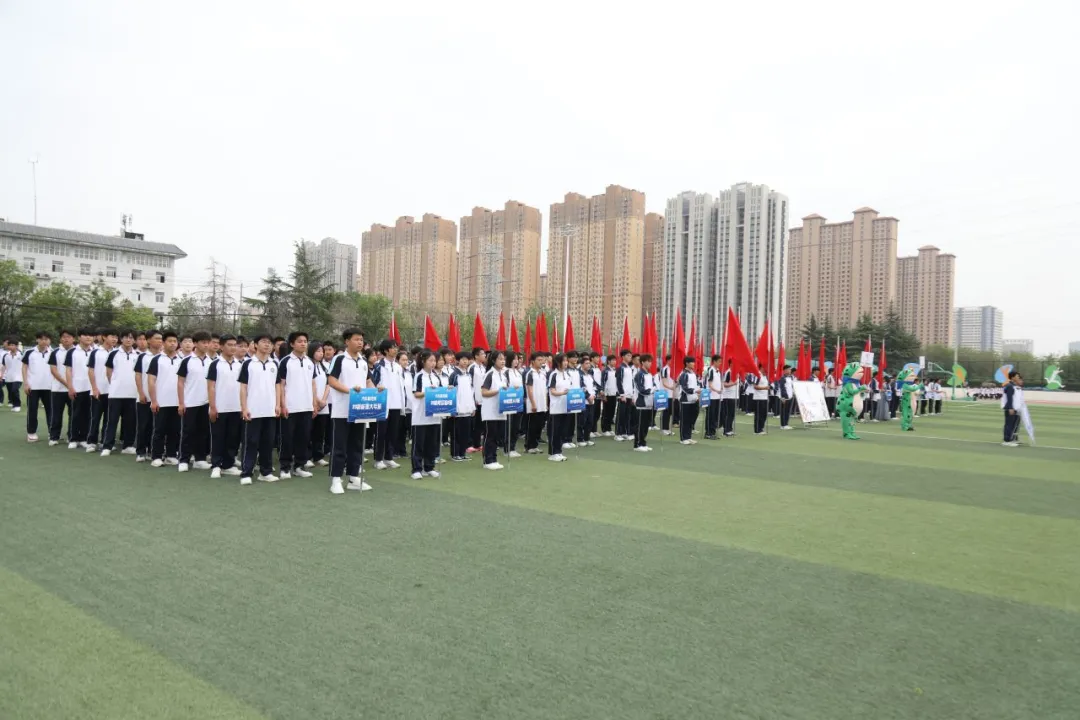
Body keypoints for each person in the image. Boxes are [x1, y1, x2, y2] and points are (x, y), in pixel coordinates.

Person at [325, 328, 374, 494]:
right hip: (342, 410)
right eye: (356, 339)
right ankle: (336, 479)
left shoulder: (363, 361)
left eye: (361, 340)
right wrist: (351, 391)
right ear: (347, 341)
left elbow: (368, 381)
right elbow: (332, 380)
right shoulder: (339, 359)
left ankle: (353, 477)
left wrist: (376, 391)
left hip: (360, 411)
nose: (360, 342)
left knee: (357, 445)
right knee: (339, 446)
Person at [238, 335, 281, 485]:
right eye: (263, 342)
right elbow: (243, 387)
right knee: (251, 442)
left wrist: (278, 404)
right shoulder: (248, 363)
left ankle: (265, 472)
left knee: (267, 443)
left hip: (270, 410)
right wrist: (244, 407)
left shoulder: (274, 364)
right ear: (255, 345)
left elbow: (277, 385)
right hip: (253, 410)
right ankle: (246, 473)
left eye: (269, 343)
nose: (267, 345)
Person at [276, 331, 317, 480]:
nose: (303, 344)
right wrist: (282, 405)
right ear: (292, 344)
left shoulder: (310, 362)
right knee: (287, 439)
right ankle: (285, 467)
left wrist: (314, 403)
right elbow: (281, 384)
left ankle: (299, 466)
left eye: (305, 341)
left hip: (306, 407)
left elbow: (313, 384)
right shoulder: (285, 361)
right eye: (300, 341)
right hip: (290, 407)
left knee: (303, 438)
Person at [206, 334, 243, 478]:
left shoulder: (240, 365)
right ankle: (216, 465)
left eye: (235, 345)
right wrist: (212, 407)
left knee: (233, 438)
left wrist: (243, 407)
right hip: (220, 408)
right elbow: (211, 387)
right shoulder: (215, 364)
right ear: (221, 346)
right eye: (229, 345)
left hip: (236, 408)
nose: (233, 348)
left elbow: (243, 387)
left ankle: (228, 465)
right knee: (218, 437)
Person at [177, 331, 212, 472]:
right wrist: (181, 403)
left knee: (203, 432)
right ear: (195, 343)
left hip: (206, 403)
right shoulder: (187, 361)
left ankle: (200, 459)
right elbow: (180, 382)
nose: (206, 345)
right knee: (188, 432)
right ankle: (184, 460)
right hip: (190, 402)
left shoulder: (211, 362)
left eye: (208, 342)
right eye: (203, 342)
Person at [101, 330, 140, 456]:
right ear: (121, 339)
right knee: (112, 421)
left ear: (134, 340)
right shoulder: (113, 354)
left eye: (131, 338)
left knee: (130, 422)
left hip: (132, 394)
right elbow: (109, 372)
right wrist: (115, 384)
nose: (128, 340)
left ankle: (128, 446)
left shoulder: (138, 355)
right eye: (126, 337)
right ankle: (107, 446)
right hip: (116, 394)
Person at [148, 332, 183, 467]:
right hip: (161, 402)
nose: (173, 343)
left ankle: (171, 455)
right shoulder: (156, 360)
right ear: (163, 343)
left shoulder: (181, 360)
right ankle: (156, 456)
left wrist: (182, 402)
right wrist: (154, 400)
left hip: (177, 402)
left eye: (175, 341)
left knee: (175, 430)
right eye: (170, 341)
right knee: (159, 430)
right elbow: (151, 381)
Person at [410, 349, 443, 480]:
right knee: (419, 444)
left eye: (434, 361)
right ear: (423, 361)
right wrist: (428, 392)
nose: (433, 363)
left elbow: (441, 392)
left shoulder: (436, 377)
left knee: (431, 444)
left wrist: (447, 390)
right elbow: (416, 393)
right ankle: (416, 469)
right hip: (420, 416)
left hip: (434, 416)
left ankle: (429, 467)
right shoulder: (419, 376)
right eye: (430, 360)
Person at [371, 339, 402, 470]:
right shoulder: (379, 366)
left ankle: (389, 457)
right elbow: (372, 383)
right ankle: (378, 459)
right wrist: (377, 389)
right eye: (393, 347)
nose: (395, 349)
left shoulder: (398, 366)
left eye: (396, 347)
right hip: (383, 404)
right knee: (381, 432)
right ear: (385, 350)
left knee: (392, 432)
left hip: (396, 403)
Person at [63, 328, 95, 449]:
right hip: (77, 388)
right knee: (75, 414)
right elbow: (68, 370)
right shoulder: (72, 352)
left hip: (91, 389)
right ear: (79, 337)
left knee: (88, 414)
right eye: (85, 335)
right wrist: (70, 387)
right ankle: (73, 438)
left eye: (90, 335)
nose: (88, 337)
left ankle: (84, 438)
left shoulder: (95, 352)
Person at [133, 330, 163, 461]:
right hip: (145, 398)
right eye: (156, 338)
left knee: (157, 427)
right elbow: (138, 376)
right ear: (149, 340)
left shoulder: (164, 357)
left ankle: (153, 451)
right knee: (143, 425)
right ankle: (141, 451)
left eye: (161, 339)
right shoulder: (142, 357)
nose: (160, 341)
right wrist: (141, 393)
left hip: (161, 399)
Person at [86, 329, 116, 451]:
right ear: (104, 337)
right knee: (95, 418)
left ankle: (105, 441)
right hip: (98, 390)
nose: (114, 339)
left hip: (113, 392)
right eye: (112, 336)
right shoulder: (96, 352)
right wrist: (94, 388)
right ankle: (91, 442)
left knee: (109, 419)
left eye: (116, 337)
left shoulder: (117, 352)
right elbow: (91, 371)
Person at [21, 331, 53, 442]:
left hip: (49, 386)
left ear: (50, 341)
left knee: (51, 410)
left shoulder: (53, 353)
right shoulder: (29, 352)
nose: (44, 341)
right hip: (33, 387)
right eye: (41, 339)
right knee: (32, 410)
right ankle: (31, 432)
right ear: (37, 340)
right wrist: (26, 383)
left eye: (46, 339)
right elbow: (24, 367)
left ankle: (52, 432)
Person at [46, 329, 75, 446]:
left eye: (69, 337)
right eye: (63, 337)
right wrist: (67, 384)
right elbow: (53, 370)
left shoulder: (77, 352)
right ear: (60, 339)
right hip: (58, 389)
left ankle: (71, 436)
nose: (66, 339)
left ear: (73, 339)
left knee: (73, 414)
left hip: (75, 389)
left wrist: (71, 386)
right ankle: (54, 436)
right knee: (56, 414)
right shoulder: (55, 352)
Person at [480, 350, 507, 470]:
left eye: (504, 359)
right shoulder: (490, 374)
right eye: (500, 359)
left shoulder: (503, 375)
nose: (503, 361)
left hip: (500, 410)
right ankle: (488, 460)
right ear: (493, 360)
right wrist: (498, 391)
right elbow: (484, 392)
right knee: (489, 436)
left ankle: (494, 459)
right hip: (490, 411)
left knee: (496, 436)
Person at [309, 343, 332, 467]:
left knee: (320, 432)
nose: (321, 353)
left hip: (323, 404)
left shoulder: (323, 367)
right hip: (311, 403)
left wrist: (323, 400)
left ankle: (318, 455)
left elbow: (328, 384)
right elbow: (309, 385)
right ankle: (307, 456)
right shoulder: (308, 365)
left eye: (321, 351)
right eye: (318, 351)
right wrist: (317, 401)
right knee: (308, 431)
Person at [448, 351, 474, 462]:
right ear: (458, 360)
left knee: (465, 433)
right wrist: (452, 408)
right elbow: (451, 392)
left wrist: (473, 407)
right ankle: (455, 454)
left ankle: (462, 453)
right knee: (456, 433)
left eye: (467, 359)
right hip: (457, 409)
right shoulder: (454, 375)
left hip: (467, 408)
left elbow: (471, 391)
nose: (465, 361)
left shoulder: (469, 375)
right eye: (463, 359)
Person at [546, 353, 571, 461]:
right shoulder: (553, 374)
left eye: (566, 361)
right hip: (556, 407)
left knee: (562, 431)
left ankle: (559, 451)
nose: (566, 363)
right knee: (554, 431)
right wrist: (562, 393)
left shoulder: (567, 374)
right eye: (564, 361)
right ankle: (552, 453)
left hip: (565, 407)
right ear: (558, 362)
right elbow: (552, 390)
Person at [524, 352, 547, 454]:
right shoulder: (530, 373)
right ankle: (529, 446)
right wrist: (533, 403)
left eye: (542, 360)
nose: (541, 362)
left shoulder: (543, 373)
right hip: (533, 404)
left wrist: (546, 403)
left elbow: (545, 389)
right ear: (533, 361)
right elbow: (529, 390)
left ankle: (535, 445)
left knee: (539, 426)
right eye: (539, 360)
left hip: (542, 403)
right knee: (532, 426)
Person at [633, 354, 655, 451]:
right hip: (641, 403)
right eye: (648, 361)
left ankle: (643, 443)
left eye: (651, 361)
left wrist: (655, 390)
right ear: (642, 362)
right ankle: (637, 445)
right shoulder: (639, 375)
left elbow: (654, 386)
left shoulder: (650, 375)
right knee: (640, 425)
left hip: (649, 403)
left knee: (646, 425)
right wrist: (651, 390)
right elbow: (641, 389)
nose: (650, 363)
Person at [677, 357, 700, 444]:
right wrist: (695, 391)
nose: (694, 364)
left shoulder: (693, 374)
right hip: (685, 400)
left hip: (694, 399)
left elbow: (695, 385)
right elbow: (684, 388)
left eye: (694, 362)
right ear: (687, 363)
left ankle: (688, 437)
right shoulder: (684, 374)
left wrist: (698, 393)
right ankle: (683, 439)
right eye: (692, 362)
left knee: (691, 419)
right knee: (685, 419)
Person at [469, 347, 487, 451]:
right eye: (482, 354)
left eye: (484, 354)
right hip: (475, 400)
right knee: (474, 423)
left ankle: (477, 444)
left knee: (480, 423)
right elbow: (470, 385)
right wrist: (472, 399)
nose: (484, 355)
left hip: (483, 399)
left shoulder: (483, 368)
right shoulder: (472, 368)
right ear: (476, 356)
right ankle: (471, 444)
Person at [615, 349, 634, 441]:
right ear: (623, 357)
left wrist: (632, 395)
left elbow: (631, 382)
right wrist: (622, 394)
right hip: (623, 395)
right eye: (628, 355)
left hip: (629, 395)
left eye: (630, 356)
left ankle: (624, 432)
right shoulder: (620, 368)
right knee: (621, 415)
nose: (630, 357)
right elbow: (619, 382)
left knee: (627, 415)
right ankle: (617, 434)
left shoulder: (629, 368)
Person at [1001, 370, 1024, 447]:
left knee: (1014, 425)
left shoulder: (1015, 386)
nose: (1018, 378)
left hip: (1016, 408)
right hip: (1010, 408)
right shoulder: (1009, 386)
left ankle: (1012, 439)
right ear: (1012, 377)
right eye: (1017, 376)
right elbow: (1009, 398)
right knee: (1009, 424)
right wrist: (1011, 408)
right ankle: (1007, 440)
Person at [704, 355, 722, 439]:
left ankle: (713, 432)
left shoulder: (718, 371)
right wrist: (717, 390)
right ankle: (708, 433)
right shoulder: (711, 370)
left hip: (717, 397)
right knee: (710, 415)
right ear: (714, 361)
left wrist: (720, 388)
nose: (720, 363)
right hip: (711, 397)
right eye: (719, 361)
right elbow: (710, 384)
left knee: (715, 415)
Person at [600, 354, 618, 436]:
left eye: (615, 360)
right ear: (608, 361)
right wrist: (603, 393)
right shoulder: (605, 371)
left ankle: (609, 428)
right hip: (607, 394)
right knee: (606, 412)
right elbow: (602, 382)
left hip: (614, 393)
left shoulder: (615, 370)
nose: (614, 362)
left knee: (612, 411)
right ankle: (604, 429)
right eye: (613, 360)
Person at [3, 338, 22, 412]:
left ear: (16, 346)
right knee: (11, 392)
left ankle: (17, 405)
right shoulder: (6, 355)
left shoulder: (21, 355)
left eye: (13, 345)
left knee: (14, 390)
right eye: (10, 345)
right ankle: (14, 405)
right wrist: (1, 374)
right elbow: (4, 366)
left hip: (18, 377)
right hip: (8, 377)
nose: (11, 346)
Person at [721, 359, 738, 437]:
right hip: (728, 396)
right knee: (728, 414)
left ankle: (729, 429)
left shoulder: (736, 372)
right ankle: (726, 430)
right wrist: (734, 383)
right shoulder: (728, 372)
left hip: (734, 396)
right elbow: (725, 384)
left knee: (732, 414)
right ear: (730, 364)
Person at [752, 364, 770, 435]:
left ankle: (761, 428)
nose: (766, 368)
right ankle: (757, 430)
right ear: (761, 367)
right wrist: (764, 388)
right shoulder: (758, 375)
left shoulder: (765, 376)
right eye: (765, 367)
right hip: (758, 398)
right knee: (758, 414)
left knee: (764, 414)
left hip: (764, 398)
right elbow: (755, 386)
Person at [658, 354, 674, 436]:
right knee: (665, 411)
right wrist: (670, 387)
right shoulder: (664, 369)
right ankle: (663, 429)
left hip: (671, 394)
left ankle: (667, 428)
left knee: (670, 411)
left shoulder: (673, 369)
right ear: (668, 360)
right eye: (672, 360)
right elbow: (664, 382)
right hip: (665, 393)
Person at [777, 365, 794, 430]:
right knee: (784, 411)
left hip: (790, 396)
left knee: (787, 411)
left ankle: (786, 424)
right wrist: (784, 397)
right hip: (785, 397)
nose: (790, 371)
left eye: (790, 369)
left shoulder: (791, 377)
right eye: (789, 369)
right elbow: (782, 389)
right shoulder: (782, 378)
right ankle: (783, 425)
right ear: (785, 370)